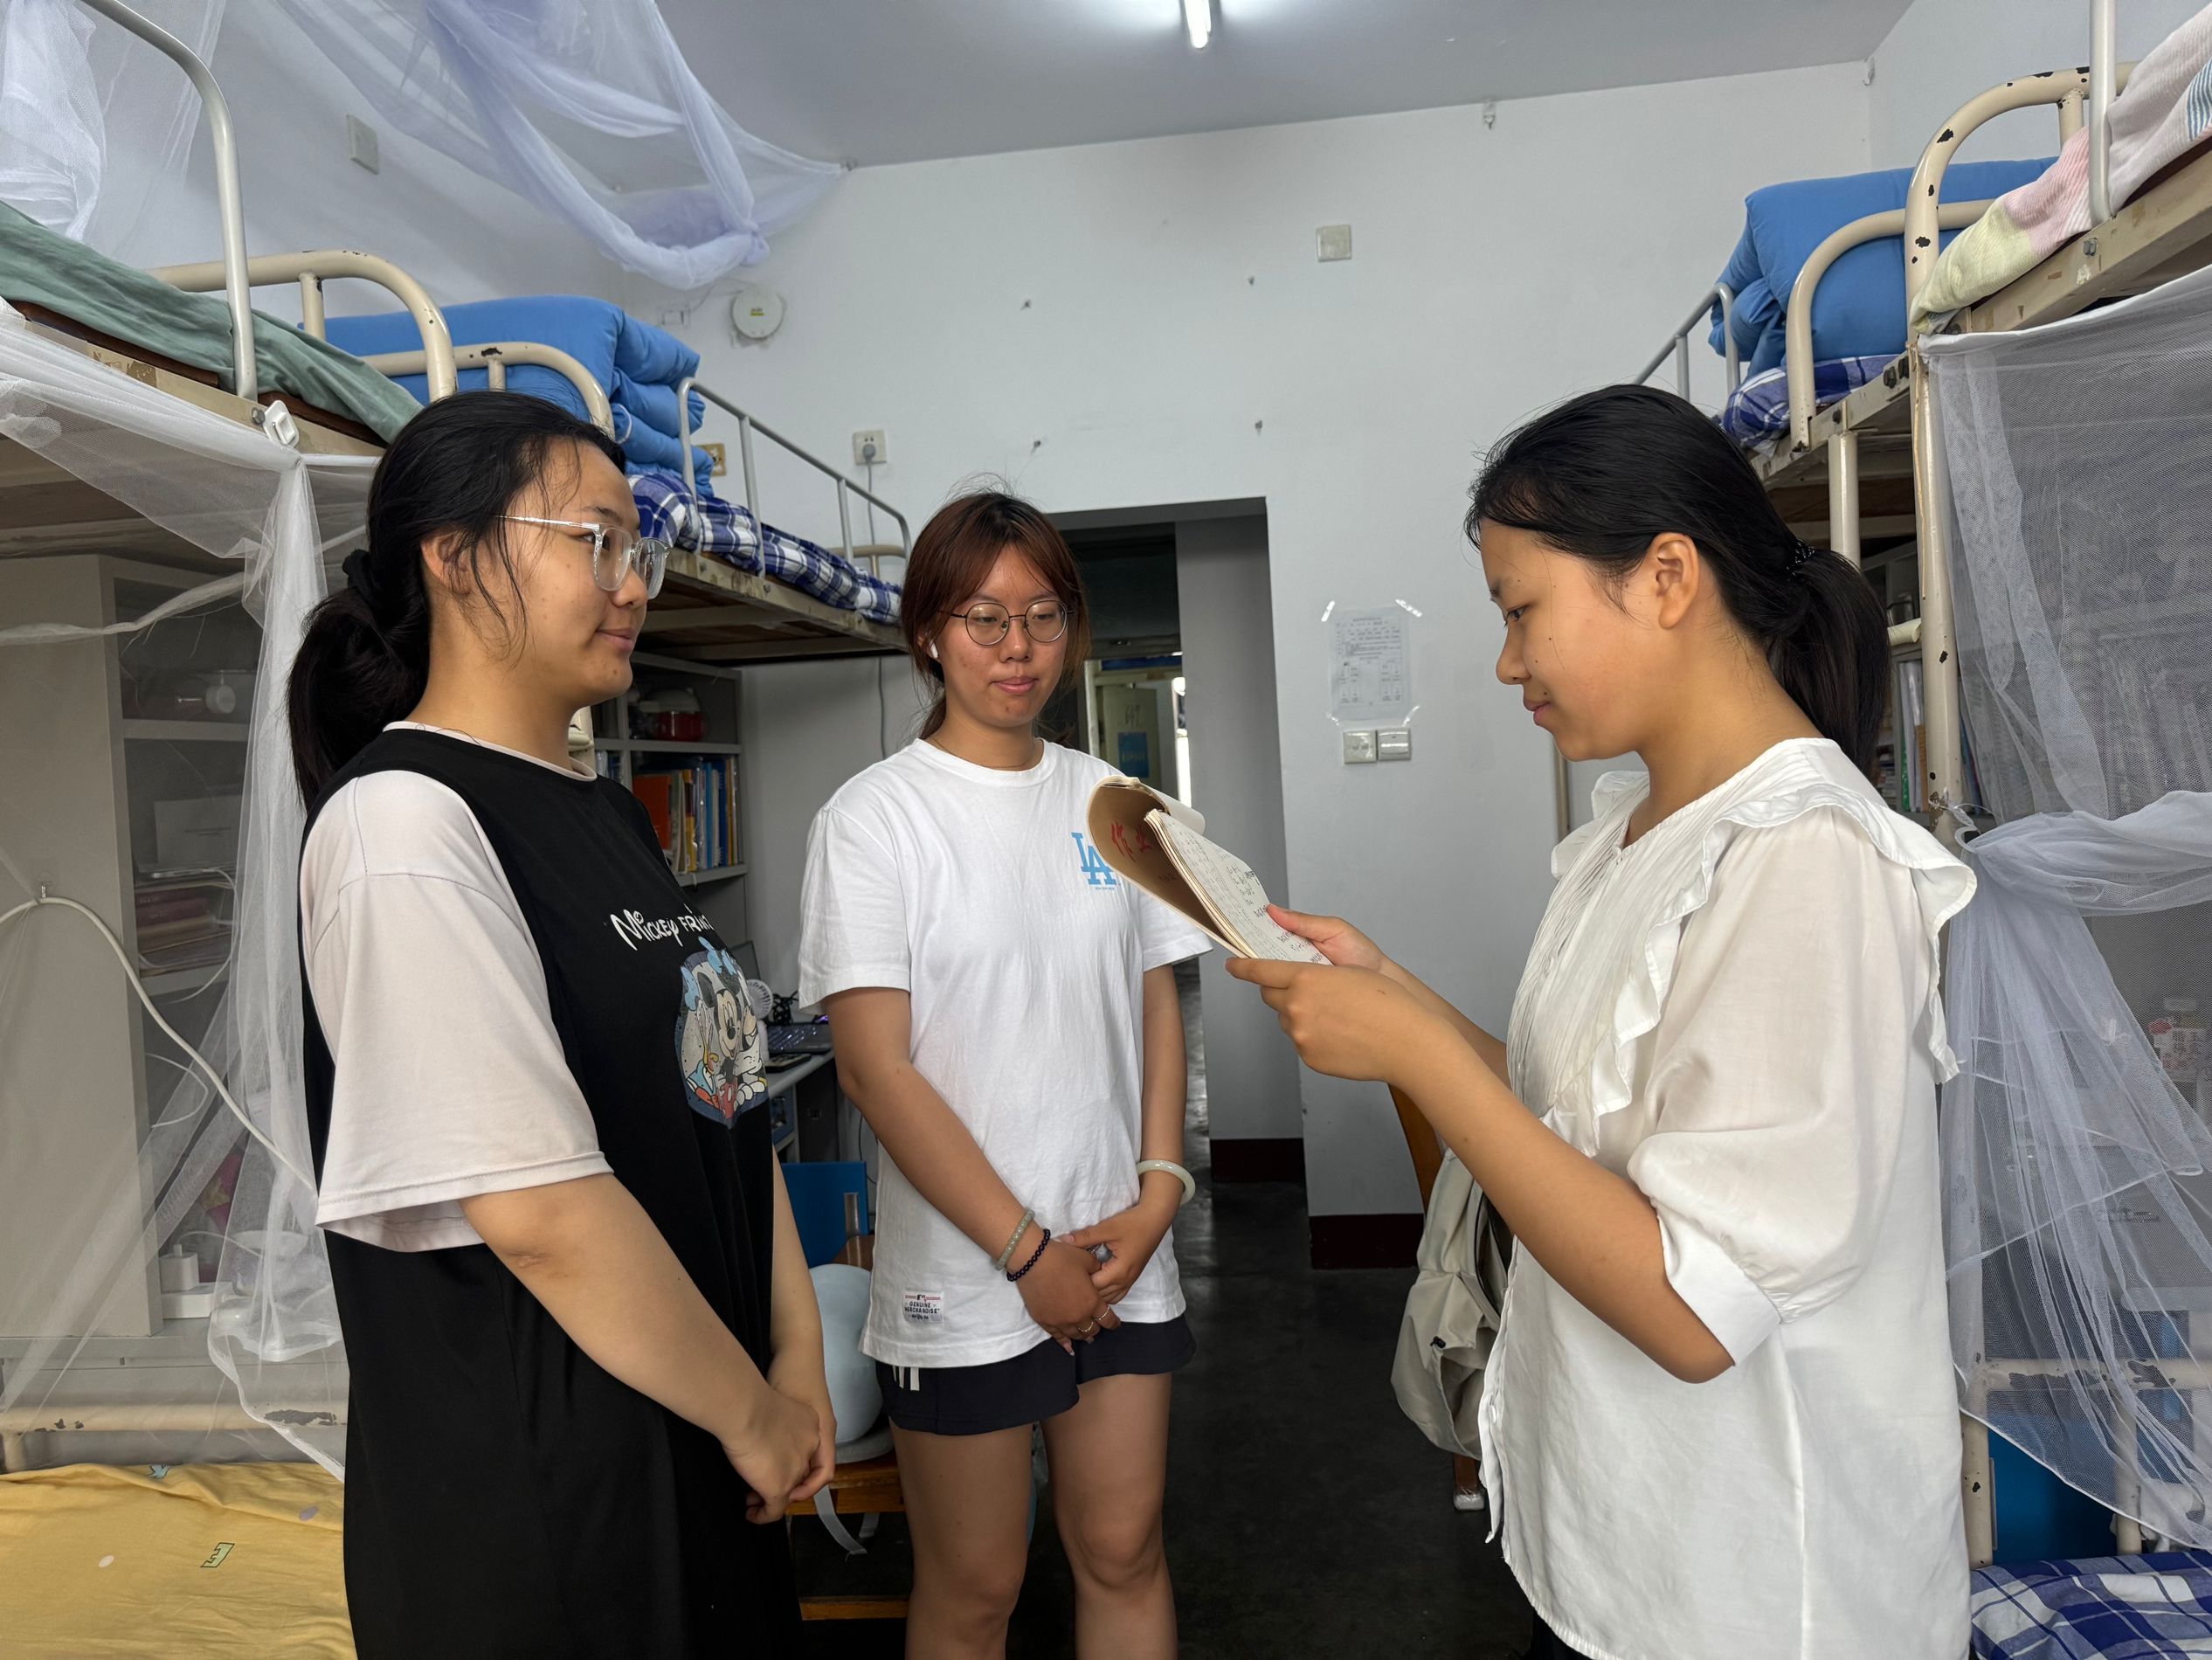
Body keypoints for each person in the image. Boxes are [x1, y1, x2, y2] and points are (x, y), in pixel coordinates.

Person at [1234, 385, 1975, 1660]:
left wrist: (1413, 1053)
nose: (1506, 663)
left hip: (1753, 1602)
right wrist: (1397, 992)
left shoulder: (1806, 859)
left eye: (1521, 611)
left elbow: (1697, 1312)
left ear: (1667, 577)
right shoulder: (1638, 833)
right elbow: (1569, 1117)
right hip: (1623, 1558)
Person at [288, 392, 829, 1658]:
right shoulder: (403, 826)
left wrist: (793, 1356)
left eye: (637, 549)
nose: (632, 584)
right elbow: (537, 1210)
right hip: (551, 1499)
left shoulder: (609, 815)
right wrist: (752, 1413)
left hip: (699, 1426)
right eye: (595, 541)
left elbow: (727, 1099)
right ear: (455, 554)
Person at [798, 491, 1208, 1660]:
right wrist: (1027, 1255)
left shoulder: (1116, 804)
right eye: (983, 618)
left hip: (1122, 1246)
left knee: (1123, 1550)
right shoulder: (874, 820)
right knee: (977, 1588)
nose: (1016, 647)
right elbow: (875, 1070)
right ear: (929, 633)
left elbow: (1155, 1001)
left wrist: (1161, 1191)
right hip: (967, 1273)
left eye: (1042, 616)